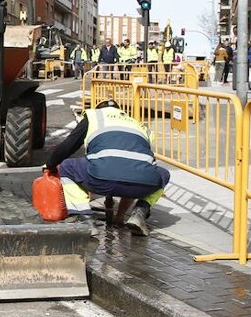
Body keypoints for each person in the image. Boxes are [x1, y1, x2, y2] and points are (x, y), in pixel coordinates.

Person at [45, 99, 170, 236]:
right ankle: (139, 213)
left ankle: (84, 218)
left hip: (101, 177)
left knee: (67, 167)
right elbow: (132, 167)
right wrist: (119, 218)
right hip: (141, 183)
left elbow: (69, 145)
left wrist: (50, 164)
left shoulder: (94, 117)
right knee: (161, 174)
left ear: (99, 109)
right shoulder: (137, 124)